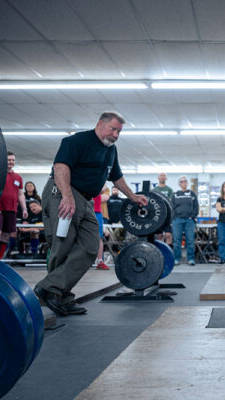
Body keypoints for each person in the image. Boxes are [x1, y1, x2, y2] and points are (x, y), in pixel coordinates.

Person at [33, 111, 148, 316]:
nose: (115, 135)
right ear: (100, 124)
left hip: (85, 199)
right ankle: (60, 296)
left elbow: (117, 177)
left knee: (90, 245)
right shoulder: (77, 141)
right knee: (63, 243)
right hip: (62, 191)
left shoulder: (111, 150)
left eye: (119, 132)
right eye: (113, 129)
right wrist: (66, 196)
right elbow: (60, 168)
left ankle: (50, 288)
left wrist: (132, 196)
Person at [0, 151, 27, 259]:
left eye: (13, 160)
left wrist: (24, 209)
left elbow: (20, 195)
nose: (11, 162)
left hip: (12, 209)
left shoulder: (18, 177)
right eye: (9, 160)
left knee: (5, 236)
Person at [171, 176, 199, 265]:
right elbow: (172, 207)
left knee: (190, 240)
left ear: (187, 183)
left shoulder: (192, 194)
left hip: (189, 221)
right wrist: (174, 217)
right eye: (182, 181)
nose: (184, 183)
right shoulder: (175, 194)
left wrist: (193, 216)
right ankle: (176, 259)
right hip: (177, 221)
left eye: (185, 181)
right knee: (177, 241)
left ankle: (190, 259)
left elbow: (196, 206)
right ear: (179, 184)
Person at [152, 172, 174, 245]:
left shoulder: (169, 190)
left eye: (164, 175)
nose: (162, 177)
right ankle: (161, 253)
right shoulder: (154, 190)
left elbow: (171, 201)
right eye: (161, 175)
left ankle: (169, 253)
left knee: (168, 235)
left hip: (168, 215)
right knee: (159, 235)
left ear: (166, 178)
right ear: (158, 178)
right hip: (158, 216)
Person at [93, 184, 109, 270]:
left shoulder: (99, 179)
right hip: (86, 210)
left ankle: (100, 261)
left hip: (97, 211)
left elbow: (104, 188)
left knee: (99, 237)